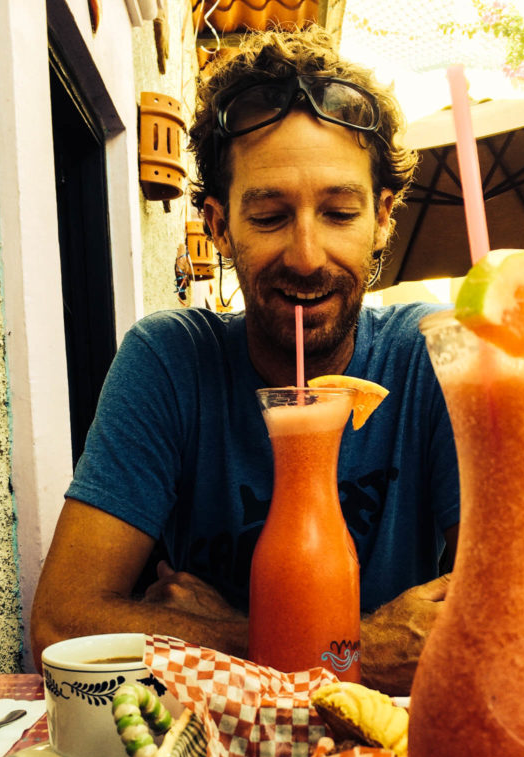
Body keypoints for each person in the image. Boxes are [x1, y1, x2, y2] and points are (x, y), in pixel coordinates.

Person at [30, 27, 460, 694]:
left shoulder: (432, 356)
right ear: (218, 225)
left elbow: (505, 617)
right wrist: (352, 652)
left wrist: (220, 630)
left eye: (340, 212)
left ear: (383, 218)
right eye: (268, 217)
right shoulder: (170, 362)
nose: (308, 255)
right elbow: (60, 625)